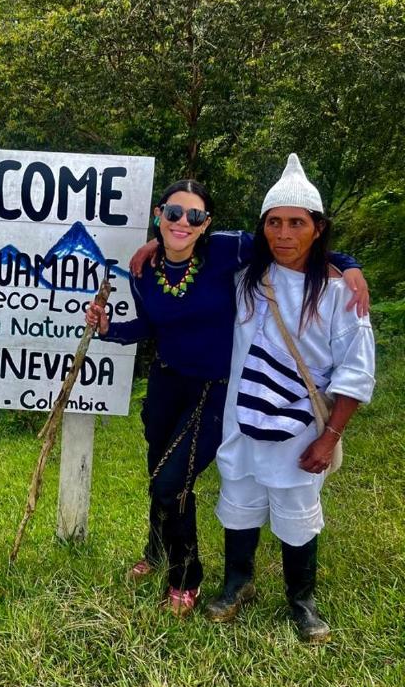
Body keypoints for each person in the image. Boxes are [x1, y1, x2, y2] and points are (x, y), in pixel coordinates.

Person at [85, 178, 367, 617]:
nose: (183, 222)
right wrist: (109, 330)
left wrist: (349, 265)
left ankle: (197, 580)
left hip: (218, 393)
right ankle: (170, 555)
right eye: (173, 213)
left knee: (173, 483)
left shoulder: (227, 253)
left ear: (207, 223)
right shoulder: (151, 273)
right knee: (166, 480)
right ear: (158, 214)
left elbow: (294, 246)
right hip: (172, 389)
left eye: (194, 216)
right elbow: (154, 327)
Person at [206, 155, 374, 642]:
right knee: (237, 501)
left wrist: (330, 438)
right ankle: (238, 584)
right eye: (274, 222)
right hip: (242, 427)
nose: (284, 233)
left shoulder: (342, 296)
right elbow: (191, 244)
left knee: (297, 515)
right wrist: (157, 240)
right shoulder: (245, 282)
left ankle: (302, 599)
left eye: (296, 223)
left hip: (299, 434)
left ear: (318, 228)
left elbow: (357, 373)